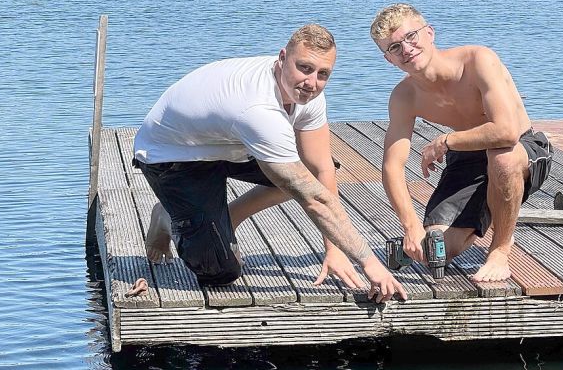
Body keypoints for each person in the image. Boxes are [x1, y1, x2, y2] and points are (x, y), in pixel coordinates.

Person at [133, 24, 406, 302]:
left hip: (226, 143)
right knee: (220, 272)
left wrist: (334, 249)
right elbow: (313, 197)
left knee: (308, 170)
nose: (312, 82)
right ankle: (167, 217)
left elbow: (320, 168)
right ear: (282, 57)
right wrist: (370, 264)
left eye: (323, 74)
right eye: (305, 68)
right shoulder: (258, 109)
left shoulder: (308, 95)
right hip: (174, 155)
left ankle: (230, 218)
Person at [370, 4, 553, 282]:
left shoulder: (478, 60)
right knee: (437, 247)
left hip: (521, 151)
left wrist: (446, 140)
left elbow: (506, 132)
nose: (406, 49)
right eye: (394, 47)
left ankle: (500, 250)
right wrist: (410, 226)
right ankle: (488, 210)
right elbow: (392, 167)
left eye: (411, 37)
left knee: (502, 157)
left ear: (429, 33)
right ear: (388, 59)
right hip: (468, 158)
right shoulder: (404, 96)